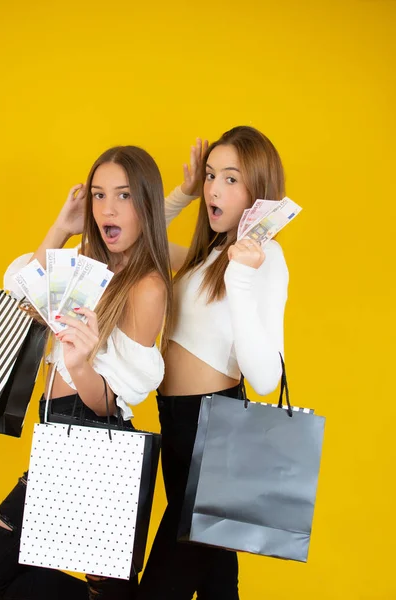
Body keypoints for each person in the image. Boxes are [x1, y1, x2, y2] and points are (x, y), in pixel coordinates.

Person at [0, 145, 172, 600]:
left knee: (108, 591)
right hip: (56, 436)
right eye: (99, 196)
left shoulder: (146, 285)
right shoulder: (86, 260)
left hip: (98, 441)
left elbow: (115, 401)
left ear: (145, 204)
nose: (107, 208)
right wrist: (61, 228)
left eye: (123, 196)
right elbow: (18, 295)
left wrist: (80, 363)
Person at [138, 126, 289, 600]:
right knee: (217, 582)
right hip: (178, 426)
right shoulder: (208, 255)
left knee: (162, 586)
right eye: (209, 176)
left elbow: (266, 379)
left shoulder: (265, 259)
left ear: (258, 193)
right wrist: (181, 194)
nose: (213, 190)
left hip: (219, 432)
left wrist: (242, 280)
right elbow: (142, 243)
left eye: (231, 178)